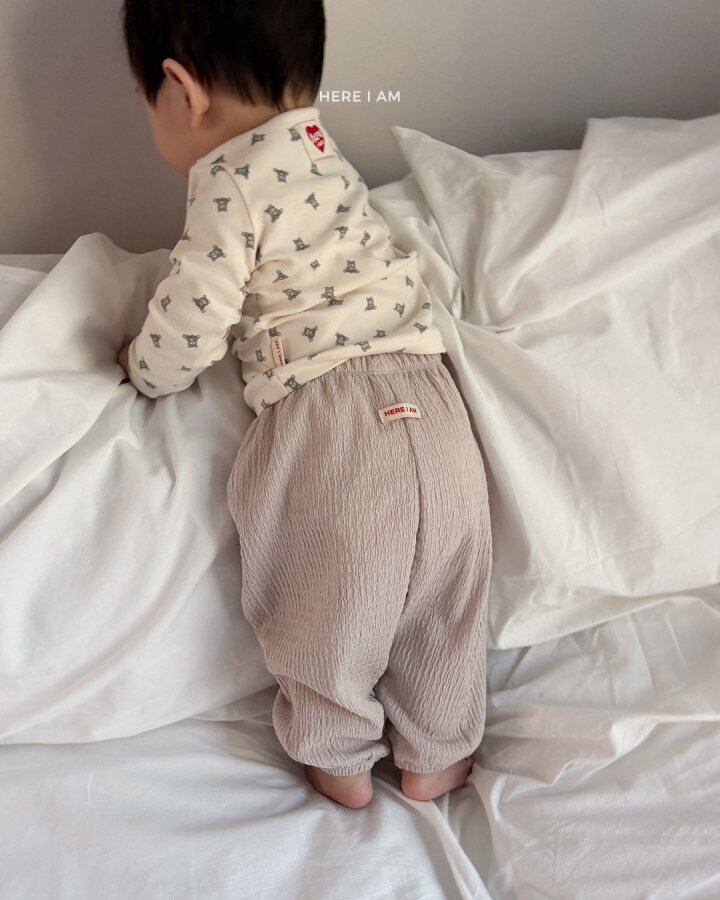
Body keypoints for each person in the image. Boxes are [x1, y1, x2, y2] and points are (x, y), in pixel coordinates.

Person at [118, 0, 492, 810]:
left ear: (182, 92)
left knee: (325, 599)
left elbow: (193, 317)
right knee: (445, 600)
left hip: (329, 421)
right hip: (432, 403)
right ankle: (440, 748)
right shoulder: (323, 150)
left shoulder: (226, 182)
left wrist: (143, 368)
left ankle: (339, 754)